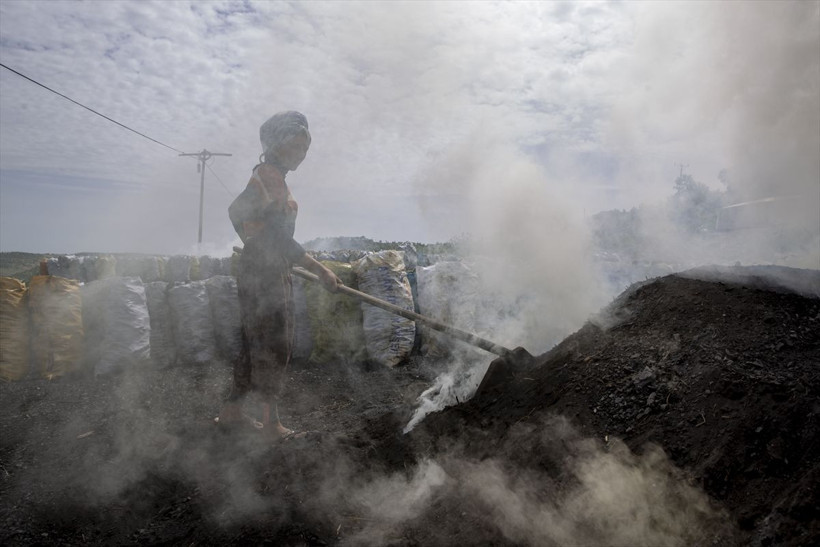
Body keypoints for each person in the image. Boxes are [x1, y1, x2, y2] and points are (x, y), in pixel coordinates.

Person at [217, 110, 342, 440]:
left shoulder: (266, 175)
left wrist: (251, 240)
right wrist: (322, 270)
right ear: (276, 144)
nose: (301, 153)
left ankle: (231, 412)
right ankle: (271, 425)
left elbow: (237, 212)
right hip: (267, 275)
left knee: (251, 340)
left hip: (256, 270)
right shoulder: (270, 175)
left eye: (305, 147)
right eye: (295, 145)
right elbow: (279, 238)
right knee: (275, 343)